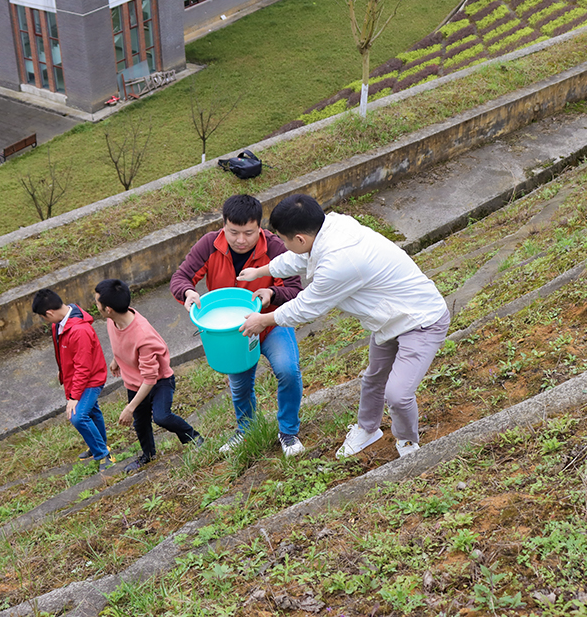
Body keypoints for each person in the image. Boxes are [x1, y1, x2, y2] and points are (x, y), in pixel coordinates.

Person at [238, 193, 450, 460]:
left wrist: (263, 320)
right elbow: (302, 259)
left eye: (283, 239)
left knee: (398, 394)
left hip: (421, 320)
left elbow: (306, 306)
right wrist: (262, 271)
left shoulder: (339, 262)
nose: (282, 244)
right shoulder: (331, 226)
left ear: (300, 238)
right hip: (389, 319)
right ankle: (367, 429)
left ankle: (408, 443)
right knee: (374, 378)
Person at [170, 194, 306, 457]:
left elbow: (294, 289)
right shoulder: (209, 245)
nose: (241, 240)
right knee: (240, 385)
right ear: (224, 225)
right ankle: (246, 429)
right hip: (232, 333)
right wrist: (187, 292)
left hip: (270, 324)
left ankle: (288, 432)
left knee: (288, 371)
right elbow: (181, 277)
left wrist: (272, 294)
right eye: (233, 232)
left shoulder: (275, 247)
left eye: (249, 233)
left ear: (260, 228)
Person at [96, 279, 202, 472]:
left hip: (158, 381)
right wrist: (116, 359)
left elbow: (150, 379)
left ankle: (193, 437)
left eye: (97, 303)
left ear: (108, 309)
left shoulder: (142, 335)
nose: (96, 306)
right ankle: (148, 455)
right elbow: (122, 341)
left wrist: (130, 407)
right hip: (134, 382)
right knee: (141, 423)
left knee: (161, 417)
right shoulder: (114, 320)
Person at [32, 287, 114, 471]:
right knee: (92, 412)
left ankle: (103, 454)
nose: (45, 321)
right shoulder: (58, 325)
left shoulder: (79, 331)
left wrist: (74, 397)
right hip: (76, 378)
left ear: (49, 313)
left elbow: (83, 367)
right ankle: (98, 445)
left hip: (91, 380)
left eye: (44, 317)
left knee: (78, 416)